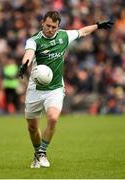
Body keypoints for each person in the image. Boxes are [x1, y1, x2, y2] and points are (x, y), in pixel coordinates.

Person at [18, 11, 113, 168]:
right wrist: (24, 64)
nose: (50, 29)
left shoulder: (63, 36)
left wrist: (97, 25)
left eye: (54, 27)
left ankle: (42, 153)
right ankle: (36, 154)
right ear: (42, 23)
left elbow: (82, 31)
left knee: (53, 118)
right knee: (32, 128)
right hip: (35, 89)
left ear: (58, 26)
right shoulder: (34, 40)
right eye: (48, 26)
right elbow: (29, 53)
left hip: (55, 88)